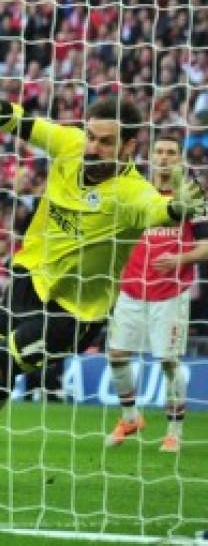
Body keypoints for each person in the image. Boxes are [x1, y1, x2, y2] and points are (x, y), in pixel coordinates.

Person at [0, 88, 206, 484]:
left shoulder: (132, 191)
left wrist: (177, 208)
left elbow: (159, 209)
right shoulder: (71, 145)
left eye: (106, 141)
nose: (93, 147)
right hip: (29, 278)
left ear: (128, 146)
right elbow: (29, 126)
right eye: (91, 136)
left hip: (73, 312)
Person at [105, 135, 208, 454]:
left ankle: (174, 432)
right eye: (159, 152)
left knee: (168, 361)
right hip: (131, 289)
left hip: (170, 292)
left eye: (170, 153)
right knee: (117, 356)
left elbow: (205, 247)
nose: (164, 158)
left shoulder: (193, 195)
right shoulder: (134, 190)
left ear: (179, 159)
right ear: (150, 157)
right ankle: (130, 417)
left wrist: (180, 259)